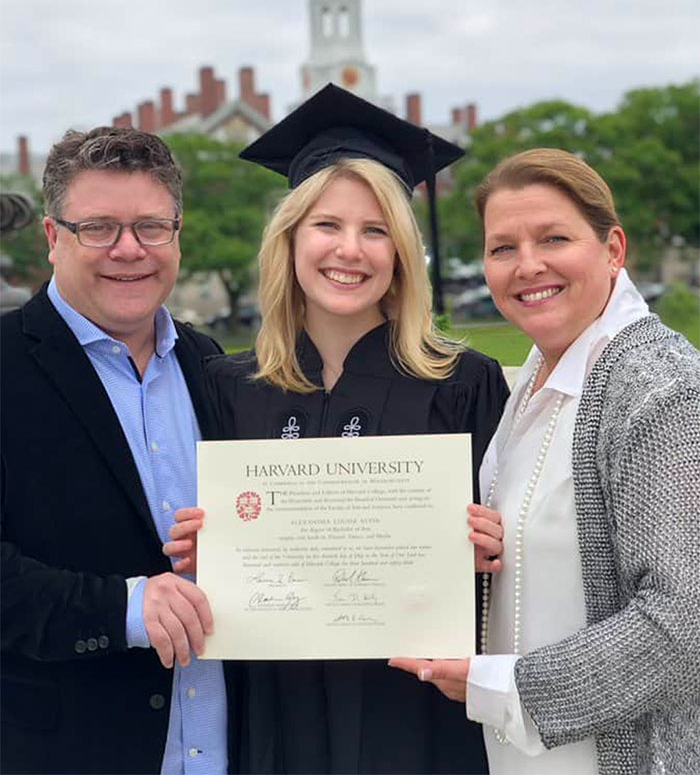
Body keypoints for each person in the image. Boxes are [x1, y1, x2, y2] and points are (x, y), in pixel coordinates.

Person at [165, 83, 510, 774]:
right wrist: (208, 554)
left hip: (418, 711)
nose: (349, 250)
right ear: (289, 238)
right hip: (276, 708)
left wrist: (495, 550)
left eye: (376, 229)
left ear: (402, 253)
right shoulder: (228, 387)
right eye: (327, 225)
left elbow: (518, 576)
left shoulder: (463, 384)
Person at [390, 148, 700, 773]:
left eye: (553, 238)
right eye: (502, 248)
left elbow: (682, 626)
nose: (527, 266)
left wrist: (506, 688)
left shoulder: (659, 388)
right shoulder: (536, 377)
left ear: (614, 248)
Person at [0, 127, 233, 775]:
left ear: (177, 234)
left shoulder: (211, 365)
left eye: (151, 227)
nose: (129, 250)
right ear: (52, 238)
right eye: (98, 227)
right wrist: (125, 608)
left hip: (230, 749)